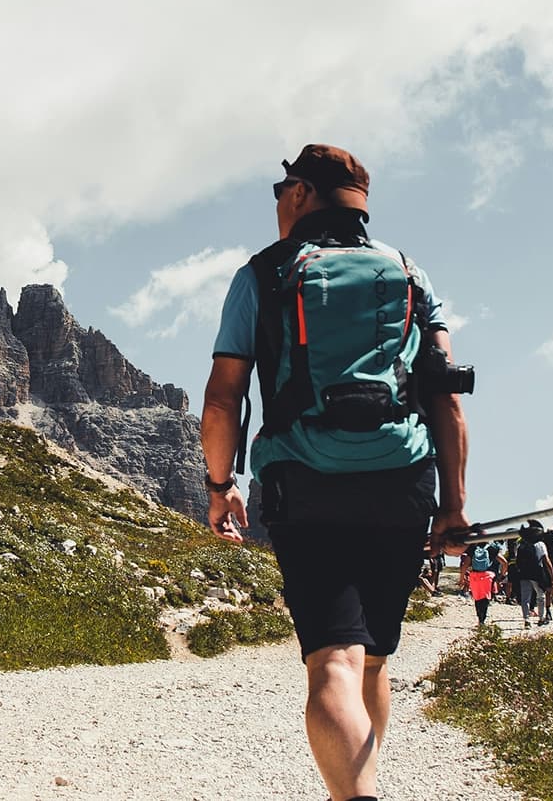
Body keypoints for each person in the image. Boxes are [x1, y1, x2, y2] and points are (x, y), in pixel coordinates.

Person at [200, 143, 470, 801]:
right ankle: (359, 785)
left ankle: (355, 795)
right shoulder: (411, 275)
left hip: (304, 483)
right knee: (372, 657)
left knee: (331, 662)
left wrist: (219, 486)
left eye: (279, 191)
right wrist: (453, 505)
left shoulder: (263, 275)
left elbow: (222, 397)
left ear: (300, 194)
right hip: (403, 484)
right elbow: (446, 400)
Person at [516, 522, 553, 628]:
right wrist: (552, 577)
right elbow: (546, 561)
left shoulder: (522, 544)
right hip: (537, 573)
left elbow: (517, 561)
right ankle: (541, 618)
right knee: (540, 596)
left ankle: (527, 620)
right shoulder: (540, 544)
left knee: (525, 598)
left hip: (524, 573)